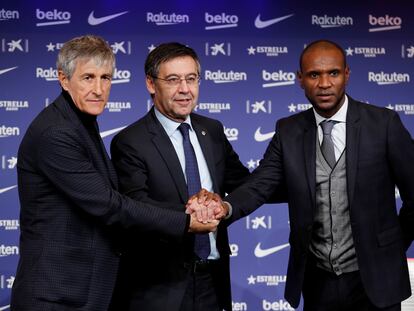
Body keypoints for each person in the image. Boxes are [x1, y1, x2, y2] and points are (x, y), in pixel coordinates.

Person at [10, 35, 217, 311]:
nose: (98, 89)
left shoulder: (80, 122)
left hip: (81, 290)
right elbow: (109, 205)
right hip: (56, 295)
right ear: (63, 78)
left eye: (105, 78)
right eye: (88, 77)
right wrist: (185, 221)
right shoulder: (56, 132)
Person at [219, 40, 414, 310]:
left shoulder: (384, 124)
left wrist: (390, 247)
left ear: (346, 74)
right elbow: (259, 185)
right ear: (300, 79)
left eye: (332, 73)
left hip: (377, 281)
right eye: (314, 74)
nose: (324, 83)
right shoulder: (288, 131)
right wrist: (224, 208)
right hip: (318, 281)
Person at [110, 42, 250, 311]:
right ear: (151, 84)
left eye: (191, 79)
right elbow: (136, 208)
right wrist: (190, 218)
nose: (185, 89)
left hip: (212, 281)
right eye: (173, 80)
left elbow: (245, 183)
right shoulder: (131, 141)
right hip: (159, 288)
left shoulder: (212, 130)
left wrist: (297, 175)